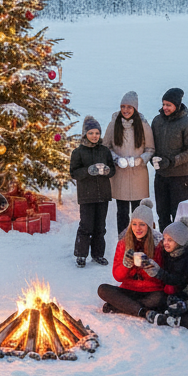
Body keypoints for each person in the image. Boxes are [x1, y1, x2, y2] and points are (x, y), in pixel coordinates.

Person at [97, 199, 164, 318]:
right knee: (102, 289)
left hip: (150, 291)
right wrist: (126, 265)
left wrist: (148, 265)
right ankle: (141, 311)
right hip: (128, 290)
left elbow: (160, 280)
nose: (138, 228)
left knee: (160, 298)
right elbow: (118, 277)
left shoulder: (158, 244)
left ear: (149, 226)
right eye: (134, 224)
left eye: (142, 224)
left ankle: (121, 306)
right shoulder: (123, 243)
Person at [102, 91, 155, 235]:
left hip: (139, 176)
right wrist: (116, 159)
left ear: (135, 108)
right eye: (123, 106)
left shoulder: (143, 125)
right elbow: (106, 146)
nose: (125, 110)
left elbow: (150, 148)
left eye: (129, 107)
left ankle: (139, 241)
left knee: (138, 212)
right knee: (122, 212)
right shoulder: (114, 124)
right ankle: (123, 242)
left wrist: (139, 160)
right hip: (120, 175)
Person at [69, 115, 116, 268]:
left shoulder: (104, 151)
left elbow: (112, 170)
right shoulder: (78, 152)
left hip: (103, 194)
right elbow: (74, 172)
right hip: (86, 195)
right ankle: (81, 254)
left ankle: (98, 254)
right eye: (91, 133)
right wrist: (89, 171)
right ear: (85, 134)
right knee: (86, 226)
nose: (94, 136)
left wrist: (108, 170)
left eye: (97, 133)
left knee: (100, 227)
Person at [150, 88, 188, 231]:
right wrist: (152, 159)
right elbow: (151, 145)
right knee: (162, 213)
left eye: (168, 105)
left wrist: (172, 161)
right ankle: (165, 246)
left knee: (178, 214)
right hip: (161, 176)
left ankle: (179, 246)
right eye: (163, 104)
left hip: (179, 177)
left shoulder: (187, 124)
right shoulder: (157, 121)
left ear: (176, 105)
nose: (165, 107)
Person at [141, 214, 188, 300]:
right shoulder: (166, 252)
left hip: (182, 290)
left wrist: (159, 273)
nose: (165, 243)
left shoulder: (187, 257)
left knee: (169, 288)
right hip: (167, 282)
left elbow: (178, 279)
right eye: (164, 239)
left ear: (180, 242)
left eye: (169, 240)